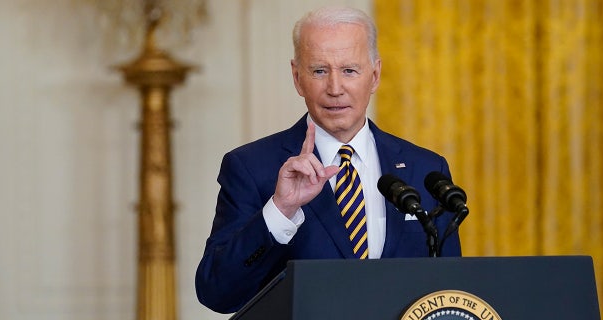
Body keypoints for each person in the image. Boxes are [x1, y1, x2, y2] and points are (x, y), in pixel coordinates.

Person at [195, 6, 462, 314]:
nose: (335, 89)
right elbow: (216, 292)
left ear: (374, 76)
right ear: (297, 78)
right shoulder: (251, 168)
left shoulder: (426, 170)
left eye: (349, 70)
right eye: (320, 71)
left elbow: (451, 292)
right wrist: (280, 210)